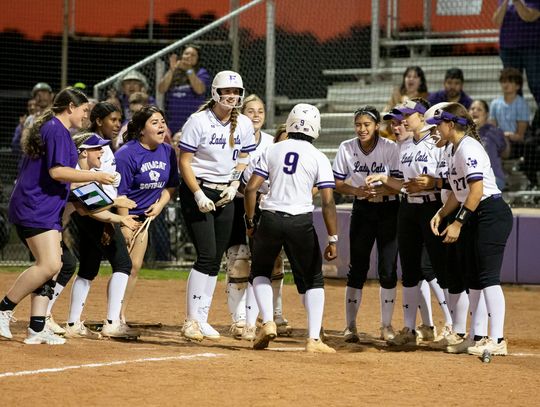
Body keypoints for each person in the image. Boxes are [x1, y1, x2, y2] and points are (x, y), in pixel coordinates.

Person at [0, 87, 116, 344]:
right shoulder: (55, 129)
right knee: (51, 264)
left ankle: (37, 328)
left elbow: (64, 179)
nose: (87, 116)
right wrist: (96, 176)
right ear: (70, 108)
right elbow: (58, 172)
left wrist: (105, 196)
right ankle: (4, 309)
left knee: (52, 267)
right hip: (35, 206)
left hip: (46, 207)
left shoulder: (59, 130)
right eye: (84, 110)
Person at [244, 103, 338, 353]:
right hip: (300, 220)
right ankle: (313, 339)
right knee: (314, 278)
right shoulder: (318, 156)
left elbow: (251, 189)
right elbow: (328, 202)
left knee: (260, 272)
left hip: (271, 217)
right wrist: (333, 238)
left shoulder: (272, 149)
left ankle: (267, 321)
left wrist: (251, 221)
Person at [428, 103, 513, 356]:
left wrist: (457, 222)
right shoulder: (453, 149)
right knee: (473, 278)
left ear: (450, 125)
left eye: (439, 124)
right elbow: (458, 191)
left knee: (488, 278)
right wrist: (442, 213)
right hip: (476, 213)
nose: (436, 130)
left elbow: (476, 192)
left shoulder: (469, 148)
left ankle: (497, 339)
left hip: (491, 213)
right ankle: (476, 337)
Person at [178, 70, 256, 341]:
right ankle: (191, 321)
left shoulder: (244, 123)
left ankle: (201, 317)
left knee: (216, 258)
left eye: (236, 92)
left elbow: (244, 156)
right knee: (207, 255)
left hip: (225, 192)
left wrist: (235, 183)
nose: (232, 96)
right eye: (227, 91)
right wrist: (198, 194)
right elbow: (185, 161)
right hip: (198, 189)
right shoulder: (198, 121)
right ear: (216, 92)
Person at [367, 98, 451, 346]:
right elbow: (404, 184)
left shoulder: (436, 143)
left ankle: (452, 326)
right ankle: (409, 329)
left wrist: (431, 183)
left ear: (423, 116)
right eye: (400, 116)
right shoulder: (404, 146)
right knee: (410, 271)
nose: (402, 120)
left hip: (433, 206)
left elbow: (444, 179)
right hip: (408, 208)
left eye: (407, 115)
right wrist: (385, 182)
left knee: (438, 269)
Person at [61, 132, 140, 340]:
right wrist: (117, 210)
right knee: (121, 264)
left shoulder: (84, 173)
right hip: (43, 225)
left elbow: (90, 209)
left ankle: (70, 323)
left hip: (53, 226)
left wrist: (118, 217)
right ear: (83, 152)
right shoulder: (75, 174)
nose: (102, 152)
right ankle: (112, 323)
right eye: (97, 149)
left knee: (81, 267)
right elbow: (88, 209)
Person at [332, 106, 401, 343]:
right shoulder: (346, 147)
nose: (362, 129)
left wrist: (381, 187)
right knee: (357, 267)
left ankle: (386, 325)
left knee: (388, 269)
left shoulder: (390, 148)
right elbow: (338, 183)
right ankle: (350, 326)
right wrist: (357, 190)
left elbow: (399, 183)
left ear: (377, 126)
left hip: (389, 209)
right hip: (362, 208)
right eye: (358, 125)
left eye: (367, 125)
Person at [226, 95, 292, 339]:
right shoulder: (230, 138)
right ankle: (240, 319)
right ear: (241, 114)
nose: (255, 115)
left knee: (272, 261)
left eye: (260, 111)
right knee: (239, 260)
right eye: (250, 110)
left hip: (265, 209)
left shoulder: (271, 142)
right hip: (235, 205)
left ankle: (273, 314)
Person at [115, 105, 180, 323]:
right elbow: (120, 192)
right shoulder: (126, 154)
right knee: (119, 267)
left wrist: (160, 204)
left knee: (134, 267)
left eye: (162, 121)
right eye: (155, 122)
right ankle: (109, 315)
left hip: (143, 219)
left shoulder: (168, 151)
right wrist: (124, 224)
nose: (161, 126)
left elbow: (171, 185)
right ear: (142, 130)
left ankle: (119, 314)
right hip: (120, 216)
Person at [493, 0, 540, 107]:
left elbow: (529, 17)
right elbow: (496, 21)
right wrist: (505, 2)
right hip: (508, 48)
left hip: (532, 47)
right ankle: (517, 118)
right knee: (512, 86)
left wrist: (516, 1)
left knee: (536, 84)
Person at [158, 44, 211, 134]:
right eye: (186, 53)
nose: (189, 56)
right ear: (182, 56)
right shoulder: (173, 73)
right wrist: (171, 70)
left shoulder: (201, 72)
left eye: (193, 55)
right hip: (173, 124)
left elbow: (199, 89)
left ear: (198, 59)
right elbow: (161, 89)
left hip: (194, 125)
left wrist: (189, 70)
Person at [489, 68, 530, 167]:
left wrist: (506, 135)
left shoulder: (522, 104)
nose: (505, 85)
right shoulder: (495, 104)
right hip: (498, 140)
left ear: (518, 86)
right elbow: (492, 127)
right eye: (503, 81)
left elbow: (520, 136)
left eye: (510, 82)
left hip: (516, 144)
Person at [469, 99, 510, 190]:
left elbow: (505, 153)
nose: (475, 111)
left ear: (486, 115)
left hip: (493, 177)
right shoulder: (462, 132)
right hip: (470, 177)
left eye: (479, 109)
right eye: (472, 109)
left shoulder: (494, 131)